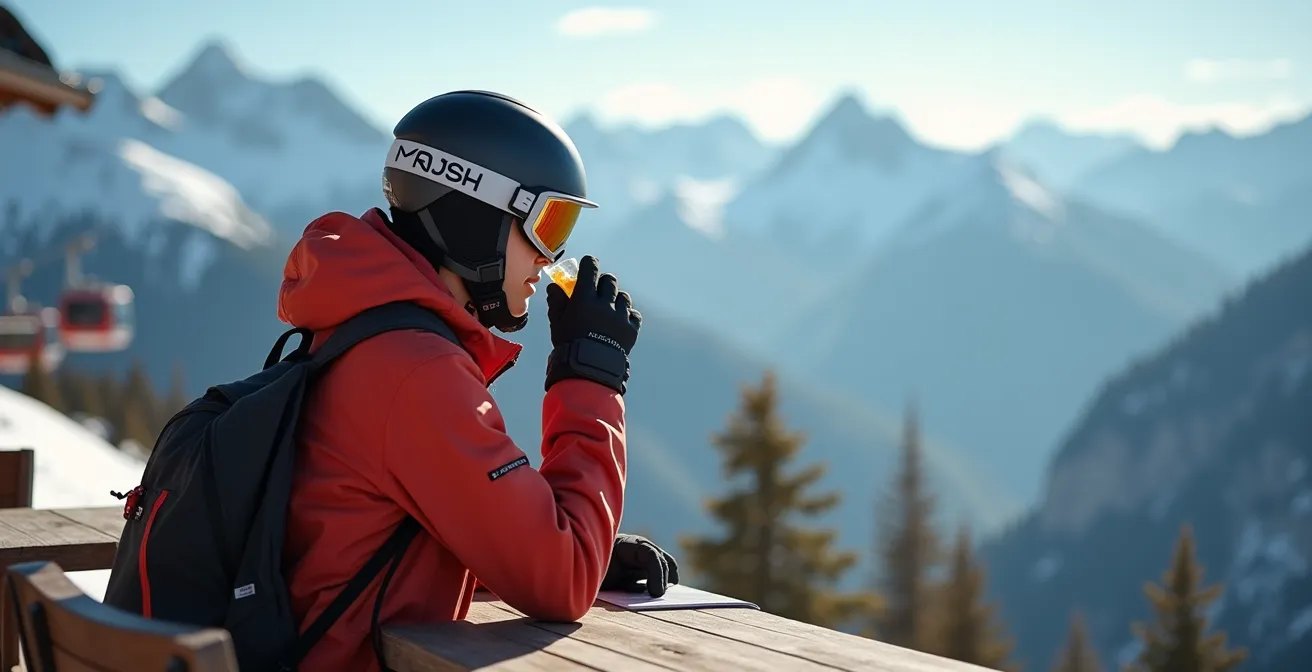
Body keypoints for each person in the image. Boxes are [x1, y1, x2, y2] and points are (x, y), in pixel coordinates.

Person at [277, 90, 679, 671]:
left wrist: (550, 543)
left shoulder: (361, 331)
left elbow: (392, 538)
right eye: (547, 221)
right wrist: (590, 375)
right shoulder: (415, 372)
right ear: (475, 215)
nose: (551, 256)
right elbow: (562, 582)